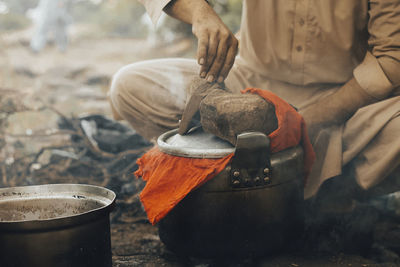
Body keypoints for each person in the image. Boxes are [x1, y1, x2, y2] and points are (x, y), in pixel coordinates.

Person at [108, 0, 400, 204]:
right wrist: (200, 12)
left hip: (352, 103)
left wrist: (310, 119)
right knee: (129, 86)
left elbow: (391, 59)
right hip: (247, 82)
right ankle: (232, 185)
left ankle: (334, 195)